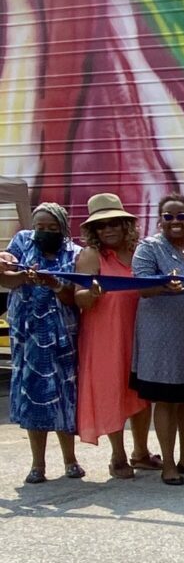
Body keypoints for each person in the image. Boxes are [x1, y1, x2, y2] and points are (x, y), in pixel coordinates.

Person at [131, 193, 184, 486]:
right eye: (168, 217)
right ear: (159, 220)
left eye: (181, 216)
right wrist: (165, 286)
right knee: (165, 399)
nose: (175, 222)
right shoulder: (148, 248)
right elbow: (140, 287)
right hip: (161, 336)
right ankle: (168, 464)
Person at [74, 193, 159, 479]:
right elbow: (80, 299)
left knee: (141, 393)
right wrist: (92, 293)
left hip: (140, 331)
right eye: (101, 225)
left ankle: (141, 452)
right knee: (112, 392)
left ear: (126, 225)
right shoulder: (90, 255)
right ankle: (118, 455)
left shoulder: (141, 251)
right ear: (94, 231)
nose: (108, 229)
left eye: (114, 223)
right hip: (105, 337)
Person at [2, 204, 82, 484]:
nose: (44, 232)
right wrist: (25, 276)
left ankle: (71, 460)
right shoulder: (22, 242)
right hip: (29, 335)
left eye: (52, 228)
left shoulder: (74, 253)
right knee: (33, 397)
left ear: (63, 227)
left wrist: (55, 285)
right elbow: (5, 277)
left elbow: (74, 297)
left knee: (65, 397)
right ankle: (38, 465)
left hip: (63, 336)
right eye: (40, 227)